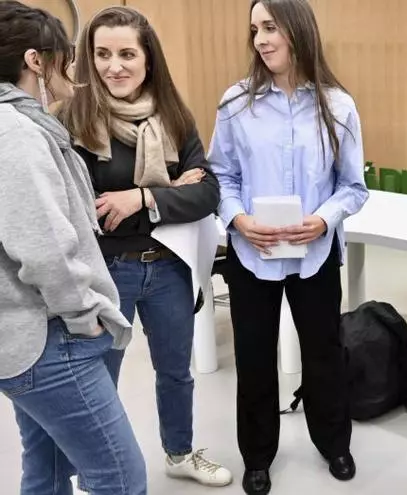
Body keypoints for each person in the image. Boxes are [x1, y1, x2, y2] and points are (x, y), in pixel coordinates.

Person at [56, 6, 232, 487]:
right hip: (106, 270)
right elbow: (85, 206)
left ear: (148, 58)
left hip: (169, 267)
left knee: (175, 371)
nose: (114, 66)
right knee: (98, 378)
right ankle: (94, 473)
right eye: (103, 54)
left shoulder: (173, 116)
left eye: (127, 54)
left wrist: (143, 196)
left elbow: (208, 194)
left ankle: (179, 453)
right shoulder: (74, 118)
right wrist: (174, 190)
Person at [208, 0, 369, 492]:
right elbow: (221, 175)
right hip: (251, 254)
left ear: (298, 31)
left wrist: (323, 220)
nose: (260, 39)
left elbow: (353, 187)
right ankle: (257, 456)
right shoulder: (236, 103)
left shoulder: (338, 106)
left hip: (315, 255)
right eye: (255, 29)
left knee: (324, 353)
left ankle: (334, 443)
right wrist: (239, 220)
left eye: (270, 27)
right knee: (254, 358)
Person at [0, 2, 147, 494]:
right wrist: (85, 317)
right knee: (120, 477)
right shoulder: (16, 133)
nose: (75, 69)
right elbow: (43, 249)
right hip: (49, 338)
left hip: (22, 338)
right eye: (66, 56)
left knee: (46, 469)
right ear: (35, 61)